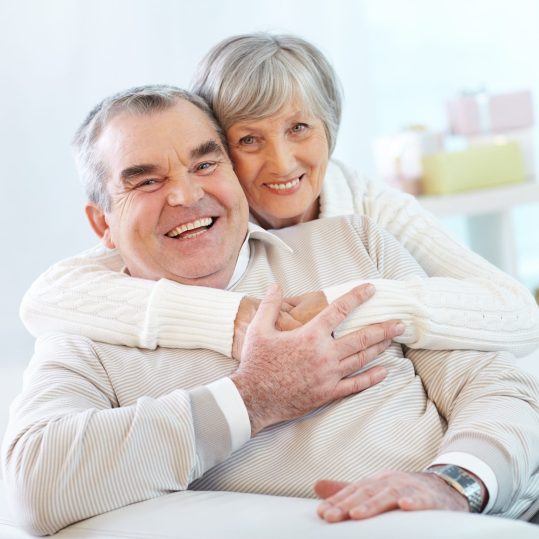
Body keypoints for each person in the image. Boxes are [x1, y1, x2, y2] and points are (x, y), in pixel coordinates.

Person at [3, 86, 538, 536]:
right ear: (102, 225)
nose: (187, 195)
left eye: (205, 163)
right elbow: (32, 483)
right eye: (146, 180)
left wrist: (451, 482)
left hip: (495, 505)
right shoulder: (85, 335)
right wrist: (251, 400)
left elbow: (495, 386)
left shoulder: (354, 241)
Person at [19, 33, 539, 362]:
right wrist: (234, 319)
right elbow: (46, 299)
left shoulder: (366, 205)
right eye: (249, 139)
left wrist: (345, 306)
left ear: (329, 131)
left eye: (299, 128)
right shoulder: (196, 221)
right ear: (217, 150)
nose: (283, 163)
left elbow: (517, 311)